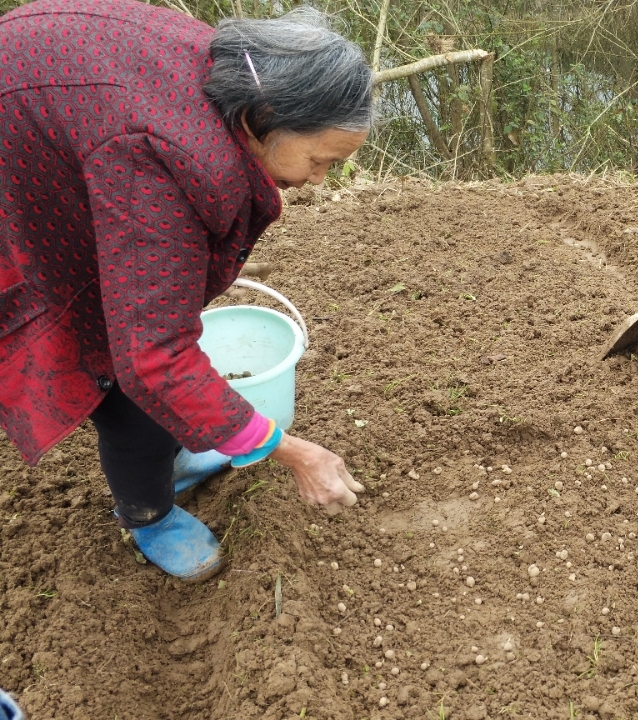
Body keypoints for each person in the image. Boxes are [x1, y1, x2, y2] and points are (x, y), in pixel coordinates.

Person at [0, 0, 371, 581]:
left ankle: (182, 445)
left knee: (137, 337)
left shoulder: (234, 67)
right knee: (122, 373)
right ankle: (149, 512)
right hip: (22, 167)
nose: (319, 180)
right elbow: (154, 357)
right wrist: (291, 450)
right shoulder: (166, 159)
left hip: (48, 120)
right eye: (320, 160)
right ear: (262, 117)